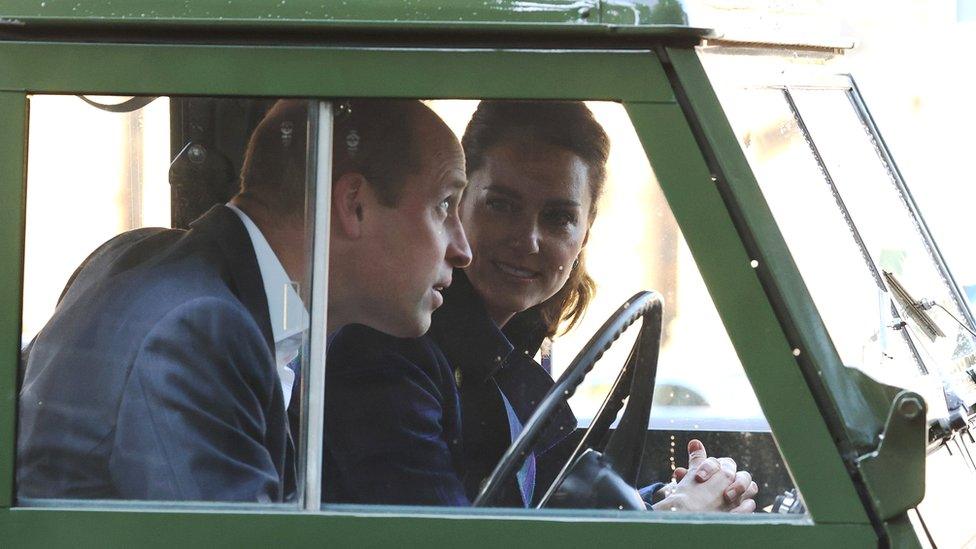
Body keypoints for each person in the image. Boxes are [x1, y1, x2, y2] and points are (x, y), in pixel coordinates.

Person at [17, 98, 471, 502]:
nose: (462, 249)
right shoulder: (199, 331)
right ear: (353, 205)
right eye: (445, 205)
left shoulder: (144, 257)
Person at [325, 100, 758, 512]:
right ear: (456, 205)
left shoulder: (519, 346)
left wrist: (670, 496)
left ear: (584, 234)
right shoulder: (388, 358)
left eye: (558, 218)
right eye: (501, 205)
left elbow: (545, 500)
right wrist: (669, 521)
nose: (528, 240)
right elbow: (448, 539)